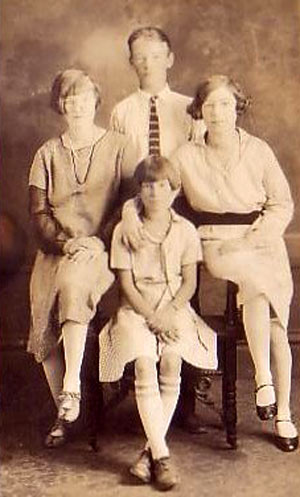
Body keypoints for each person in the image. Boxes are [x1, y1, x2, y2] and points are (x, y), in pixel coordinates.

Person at [170, 74, 298, 452]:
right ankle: (263, 381)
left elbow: (282, 204)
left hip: (262, 241)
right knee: (257, 290)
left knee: (273, 321)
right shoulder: (187, 155)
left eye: (225, 104)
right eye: (210, 105)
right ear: (199, 111)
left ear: (237, 108)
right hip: (217, 245)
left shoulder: (258, 150)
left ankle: (283, 412)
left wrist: (256, 237)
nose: (218, 112)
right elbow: (161, 197)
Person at [99, 156, 217, 490]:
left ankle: (148, 454)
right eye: (148, 186)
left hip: (174, 308)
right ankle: (162, 456)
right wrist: (151, 316)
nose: (154, 193)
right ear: (140, 190)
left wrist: (168, 313)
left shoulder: (185, 230)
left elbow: (190, 284)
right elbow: (126, 284)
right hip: (136, 309)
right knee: (144, 363)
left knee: (171, 358)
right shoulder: (125, 229)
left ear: (174, 191)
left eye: (162, 186)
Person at [111, 25, 206, 432]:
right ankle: (144, 397)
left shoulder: (189, 109)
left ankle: (184, 406)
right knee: (139, 300)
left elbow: (198, 169)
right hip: (137, 211)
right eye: (139, 56)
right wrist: (128, 213)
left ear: (169, 58)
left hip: (181, 212)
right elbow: (117, 176)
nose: (147, 62)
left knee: (184, 297)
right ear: (131, 62)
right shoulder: (122, 111)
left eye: (155, 54)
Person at [27, 69, 126, 448]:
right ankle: (63, 412)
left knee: (73, 285)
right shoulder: (47, 153)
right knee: (42, 327)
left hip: (101, 251)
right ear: (59, 105)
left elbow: (127, 202)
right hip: (57, 250)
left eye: (83, 96)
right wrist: (63, 243)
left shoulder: (119, 145)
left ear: (96, 100)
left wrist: (99, 241)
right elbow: (38, 214)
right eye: (68, 98)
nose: (76, 104)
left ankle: (72, 387)